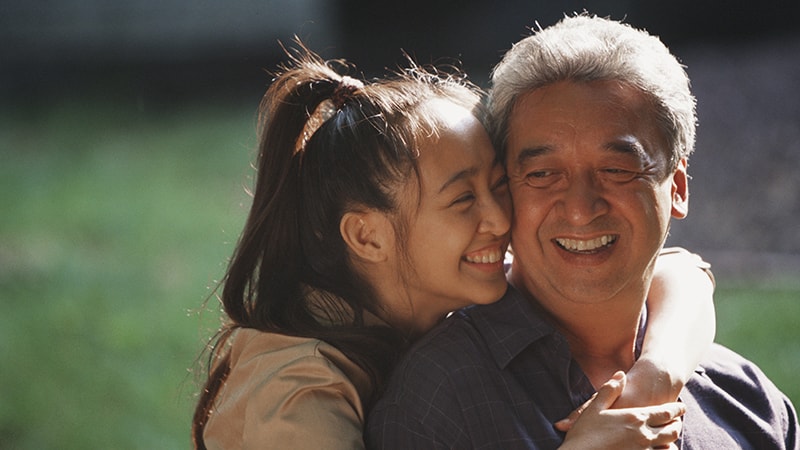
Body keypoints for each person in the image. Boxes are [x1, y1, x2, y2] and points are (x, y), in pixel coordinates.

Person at [191, 43, 717, 449]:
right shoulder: (294, 392)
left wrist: (657, 375)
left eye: (498, 185)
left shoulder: (438, 285)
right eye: (463, 199)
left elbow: (683, 273)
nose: (499, 217)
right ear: (367, 235)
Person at [367, 14, 799, 450]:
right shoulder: (440, 396)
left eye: (616, 170)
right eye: (543, 174)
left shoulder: (748, 402)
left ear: (678, 188)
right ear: (505, 191)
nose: (579, 209)